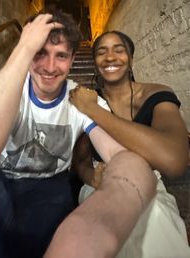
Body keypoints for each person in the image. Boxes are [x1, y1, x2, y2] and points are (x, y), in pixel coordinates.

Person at [0, 10, 154, 258]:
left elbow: (119, 154)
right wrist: (24, 49)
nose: (49, 67)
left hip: (50, 186)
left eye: (61, 56)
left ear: (72, 60)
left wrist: (112, 204)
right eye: (40, 53)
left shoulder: (82, 100)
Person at [67, 30, 190, 257]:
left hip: (149, 184)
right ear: (95, 63)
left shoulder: (156, 94)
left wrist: (93, 110)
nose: (110, 57)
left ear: (131, 59)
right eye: (101, 52)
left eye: (119, 50)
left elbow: (174, 160)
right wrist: (89, 176)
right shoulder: (85, 98)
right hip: (101, 185)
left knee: (154, 223)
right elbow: (80, 160)